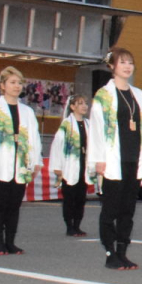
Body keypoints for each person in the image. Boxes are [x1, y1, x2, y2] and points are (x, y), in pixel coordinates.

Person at [89, 47, 142, 271]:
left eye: (130, 62)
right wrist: (98, 159)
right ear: (112, 66)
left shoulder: (140, 95)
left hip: (133, 159)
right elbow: (96, 130)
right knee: (110, 209)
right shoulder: (104, 96)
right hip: (112, 159)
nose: (127, 66)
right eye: (122, 62)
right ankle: (110, 252)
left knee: (128, 210)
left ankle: (123, 251)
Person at [0, 66, 42, 256]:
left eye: (19, 83)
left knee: (14, 205)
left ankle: (11, 241)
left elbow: (34, 138)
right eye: (12, 82)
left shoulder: (27, 111)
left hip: (20, 163)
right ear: (3, 86)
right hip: (0, 161)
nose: (17, 86)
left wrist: (35, 161)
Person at [49, 94, 91, 237]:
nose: (84, 106)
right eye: (80, 103)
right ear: (72, 107)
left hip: (83, 165)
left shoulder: (88, 124)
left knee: (81, 197)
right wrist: (57, 166)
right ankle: (69, 226)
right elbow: (57, 146)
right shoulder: (66, 125)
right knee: (69, 197)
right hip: (70, 165)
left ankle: (78, 225)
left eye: (85, 103)